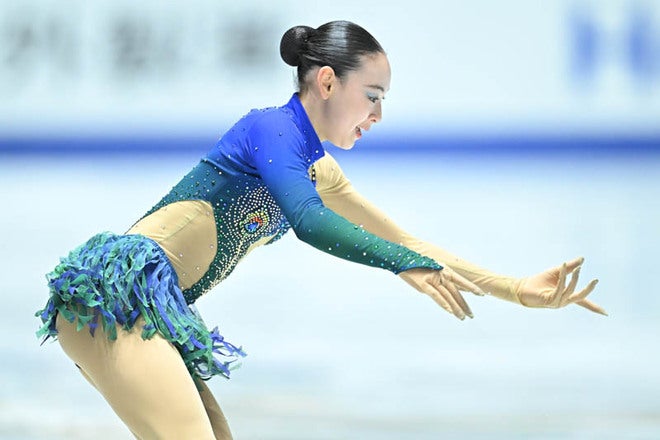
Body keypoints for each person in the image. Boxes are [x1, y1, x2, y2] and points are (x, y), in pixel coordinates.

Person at [35, 20, 605, 439]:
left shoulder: (316, 168)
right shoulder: (270, 129)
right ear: (327, 82)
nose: (378, 116)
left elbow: (405, 241)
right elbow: (311, 223)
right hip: (114, 300)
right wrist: (400, 265)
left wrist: (514, 288)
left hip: (146, 313)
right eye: (372, 97)